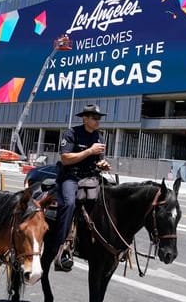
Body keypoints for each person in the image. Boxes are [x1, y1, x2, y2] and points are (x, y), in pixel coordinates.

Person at [54, 104, 111, 272]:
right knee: (69, 203)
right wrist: (89, 151)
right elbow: (65, 158)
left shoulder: (98, 137)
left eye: (98, 118)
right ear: (85, 118)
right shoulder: (71, 133)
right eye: (94, 117)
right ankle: (61, 245)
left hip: (91, 177)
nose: (97, 121)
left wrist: (103, 164)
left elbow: (98, 160)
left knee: (110, 200)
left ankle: (102, 240)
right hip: (72, 176)